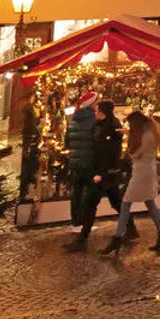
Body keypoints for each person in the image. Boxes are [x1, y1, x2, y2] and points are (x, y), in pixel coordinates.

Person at [101, 110, 160, 255]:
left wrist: (129, 150)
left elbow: (137, 154)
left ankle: (117, 238)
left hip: (142, 173)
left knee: (126, 203)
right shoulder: (149, 133)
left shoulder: (147, 136)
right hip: (144, 171)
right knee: (149, 203)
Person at [67, 101, 126, 251]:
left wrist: (104, 171)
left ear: (104, 112)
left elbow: (112, 150)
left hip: (106, 172)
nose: (96, 112)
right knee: (113, 202)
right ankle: (130, 227)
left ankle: (82, 239)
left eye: (98, 110)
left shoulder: (112, 125)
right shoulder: (98, 125)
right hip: (101, 171)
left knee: (92, 202)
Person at [63, 91, 98, 231]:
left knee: (77, 192)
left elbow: (67, 142)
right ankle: (86, 224)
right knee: (90, 193)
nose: (97, 105)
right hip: (89, 161)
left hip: (75, 162)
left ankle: (76, 223)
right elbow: (97, 141)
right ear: (91, 104)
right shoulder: (94, 120)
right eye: (96, 102)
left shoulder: (73, 119)